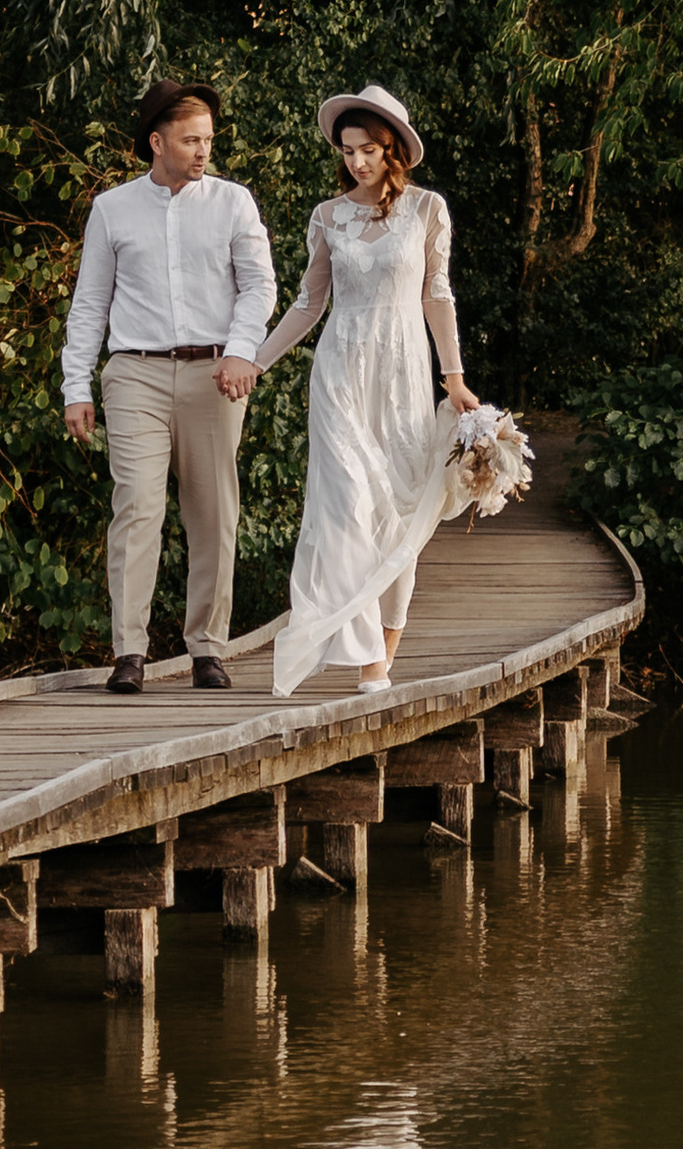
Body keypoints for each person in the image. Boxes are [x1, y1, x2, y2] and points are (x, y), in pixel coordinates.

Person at [252, 83, 482, 699]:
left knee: (401, 508)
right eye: (349, 150)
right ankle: (357, 659)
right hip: (341, 373)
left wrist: (453, 378)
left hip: (405, 370)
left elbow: (438, 295)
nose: (356, 161)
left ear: (393, 152)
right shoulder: (328, 217)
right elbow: (308, 304)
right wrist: (256, 362)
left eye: (369, 151)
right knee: (347, 506)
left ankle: (383, 652)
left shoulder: (428, 210)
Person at [62, 79, 277, 694]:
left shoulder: (234, 203)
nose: (204, 149)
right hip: (135, 372)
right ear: (156, 142)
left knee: (214, 513)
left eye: (208, 138)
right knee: (137, 508)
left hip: (215, 374)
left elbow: (260, 287)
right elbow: (89, 305)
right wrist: (76, 385)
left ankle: (207, 648)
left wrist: (241, 353)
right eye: (190, 139)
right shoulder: (112, 209)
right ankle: (129, 652)